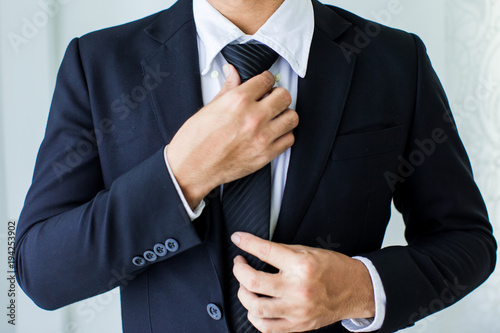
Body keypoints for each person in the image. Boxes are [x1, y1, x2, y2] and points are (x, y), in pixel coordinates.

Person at [14, 0, 496, 332]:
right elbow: (40, 269)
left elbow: (467, 241)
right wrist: (182, 176)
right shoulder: (97, 63)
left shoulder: (394, 61)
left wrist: (356, 287)